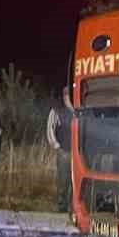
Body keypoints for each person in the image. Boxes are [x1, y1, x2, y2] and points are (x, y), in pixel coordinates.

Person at [47, 86, 75, 222]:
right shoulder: (56, 111)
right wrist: (56, 146)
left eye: (69, 95)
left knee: (74, 181)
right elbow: (50, 129)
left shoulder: (78, 112)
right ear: (63, 96)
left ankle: (73, 207)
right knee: (63, 180)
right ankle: (62, 207)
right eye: (66, 95)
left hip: (77, 154)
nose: (68, 97)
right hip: (63, 152)